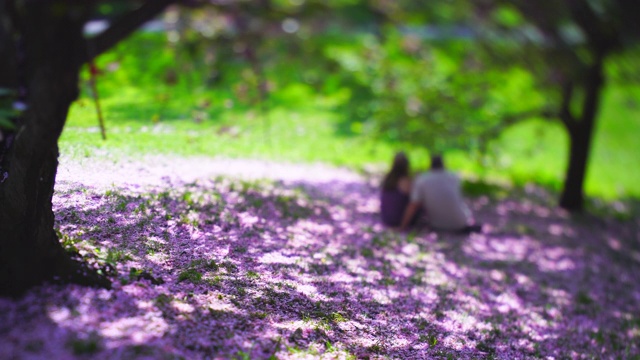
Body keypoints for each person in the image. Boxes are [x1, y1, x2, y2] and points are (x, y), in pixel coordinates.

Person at [400, 154, 481, 233]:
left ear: (430, 165)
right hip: (460, 223)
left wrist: (402, 227)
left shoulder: (423, 179)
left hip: (438, 225)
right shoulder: (454, 176)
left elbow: (413, 205)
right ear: (443, 164)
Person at [380, 152, 414, 227]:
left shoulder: (388, 178)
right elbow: (414, 203)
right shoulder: (405, 181)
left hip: (386, 219)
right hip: (398, 220)